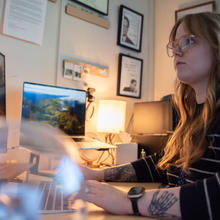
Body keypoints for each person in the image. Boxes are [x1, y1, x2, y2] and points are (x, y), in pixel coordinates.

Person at [79, 12, 220, 220]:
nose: (177, 52)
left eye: (189, 41)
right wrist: (98, 174)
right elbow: (163, 164)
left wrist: (130, 202)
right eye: (174, 45)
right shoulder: (192, 115)